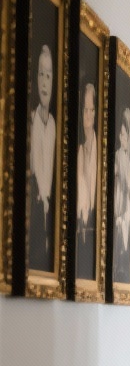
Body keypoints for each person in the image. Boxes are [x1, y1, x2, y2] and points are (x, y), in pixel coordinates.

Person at [28, 43, 56, 272]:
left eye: (49, 75)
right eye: (41, 74)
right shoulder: (33, 122)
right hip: (38, 209)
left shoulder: (54, 126)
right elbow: (35, 168)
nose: (45, 81)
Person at [76, 82, 97, 281]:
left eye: (92, 109)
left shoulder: (98, 149)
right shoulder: (79, 147)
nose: (88, 115)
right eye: (85, 109)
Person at [113, 106, 130, 283]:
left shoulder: (129, 163)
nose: (121, 138)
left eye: (124, 135)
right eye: (120, 135)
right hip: (118, 213)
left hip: (125, 215)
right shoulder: (118, 157)